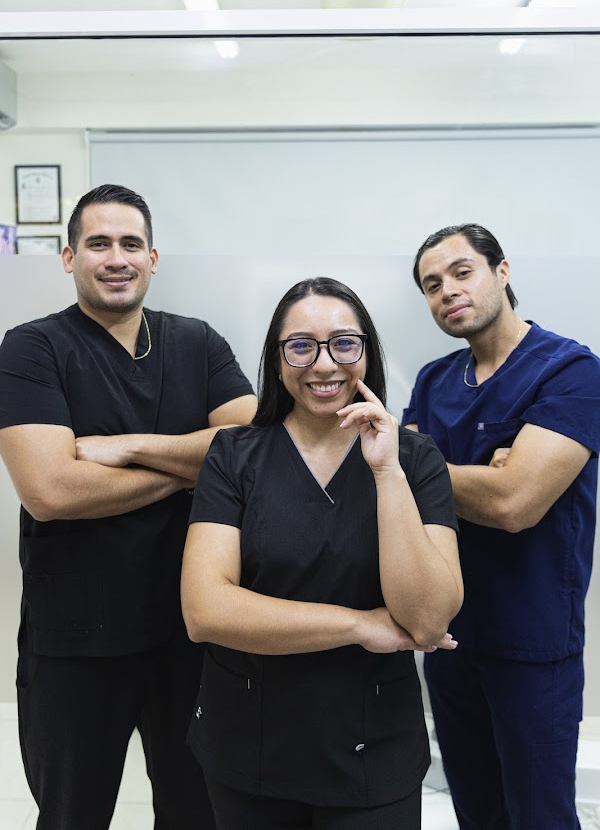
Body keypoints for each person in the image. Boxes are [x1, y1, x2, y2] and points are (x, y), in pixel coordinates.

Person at [0, 184, 257, 830]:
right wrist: (187, 473)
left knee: (199, 810)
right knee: (71, 816)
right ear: (68, 258)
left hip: (190, 632)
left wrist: (128, 449)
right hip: (75, 641)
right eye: (98, 243)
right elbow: (50, 491)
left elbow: (252, 452)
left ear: (153, 257)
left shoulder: (198, 344)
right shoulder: (33, 349)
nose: (117, 257)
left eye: (131, 243)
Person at [181, 276, 463, 830]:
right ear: (277, 357)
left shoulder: (414, 458)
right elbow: (205, 610)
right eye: (302, 345)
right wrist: (360, 625)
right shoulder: (233, 455)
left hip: (372, 748)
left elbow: (429, 619)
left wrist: (385, 472)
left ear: (366, 351)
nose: (324, 363)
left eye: (344, 343)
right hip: (249, 743)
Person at [403, 223, 600, 829]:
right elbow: (388, 483)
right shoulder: (435, 380)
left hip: (531, 643)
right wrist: (478, 475)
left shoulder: (572, 372)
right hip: (449, 637)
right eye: (432, 286)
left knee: (539, 816)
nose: (448, 293)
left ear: (502, 271)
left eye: (462, 273)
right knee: (476, 811)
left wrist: (424, 467)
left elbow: (516, 504)